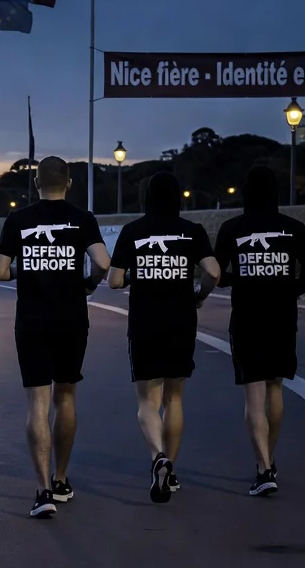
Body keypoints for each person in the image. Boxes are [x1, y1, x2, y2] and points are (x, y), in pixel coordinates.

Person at [0, 156, 109, 518]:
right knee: (66, 396)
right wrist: (88, 283)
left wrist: (28, 269)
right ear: (68, 183)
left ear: (36, 183)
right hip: (71, 319)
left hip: (32, 321)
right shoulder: (83, 219)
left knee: (37, 404)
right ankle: (60, 478)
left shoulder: (18, 220)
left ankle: (42, 490)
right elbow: (103, 262)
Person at [107, 171, 220, 504]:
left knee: (148, 402)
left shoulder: (133, 231)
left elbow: (114, 280)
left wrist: (139, 274)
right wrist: (200, 294)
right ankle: (171, 472)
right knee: (174, 399)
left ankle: (158, 457)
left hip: (145, 323)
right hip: (181, 321)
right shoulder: (192, 231)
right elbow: (214, 271)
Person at [214, 166, 305, 497]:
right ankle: (269, 460)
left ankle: (263, 469)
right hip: (283, 316)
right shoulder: (293, 227)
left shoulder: (232, 228)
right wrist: (290, 289)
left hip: (247, 317)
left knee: (253, 393)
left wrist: (240, 280)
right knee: (276, 387)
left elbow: (217, 272)